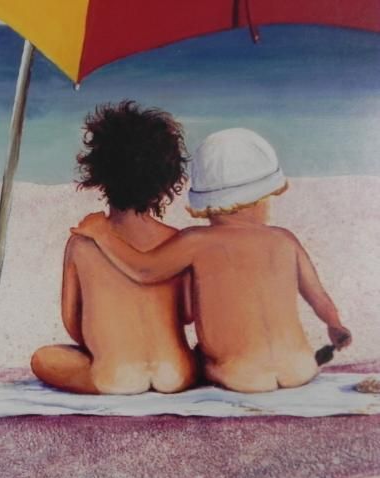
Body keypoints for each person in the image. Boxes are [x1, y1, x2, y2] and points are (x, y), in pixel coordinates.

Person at [71, 128, 352, 393]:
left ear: (206, 204)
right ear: (261, 198)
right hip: (301, 367)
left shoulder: (195, 241)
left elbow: (144, 270)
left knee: (202, 358)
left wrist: (103, 235)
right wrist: (334, 325)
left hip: (241, 376)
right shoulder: (285, 239)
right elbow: (319, 297)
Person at [30, 101, 197, 395]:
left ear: (98, 172)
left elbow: (73, 323)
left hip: (115, 376)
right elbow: (187, 314)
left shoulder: (82, 243)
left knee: (44, 358)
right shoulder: (178, 240)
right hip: (177, 374)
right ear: (166, 178)